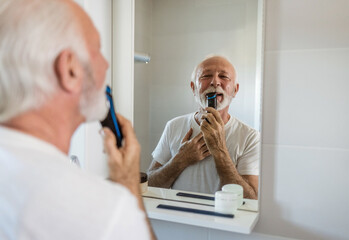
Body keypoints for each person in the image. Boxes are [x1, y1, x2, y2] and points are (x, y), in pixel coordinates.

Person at [0, 0, 155, 239]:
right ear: (70, 69)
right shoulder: (103, 212)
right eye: (97, 51)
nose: (105, 64)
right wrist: (128, 184)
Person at [147, 55, 260, 199]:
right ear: (193, 88)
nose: (215, 82)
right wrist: (180, 160)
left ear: (235, 90)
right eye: (206, 76)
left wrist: (220, 151)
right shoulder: (173, 126)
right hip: (177, 218)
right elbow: (149, 185)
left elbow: (251, 200)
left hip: (223, 221)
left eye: (224, 77)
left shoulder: (250, 137)